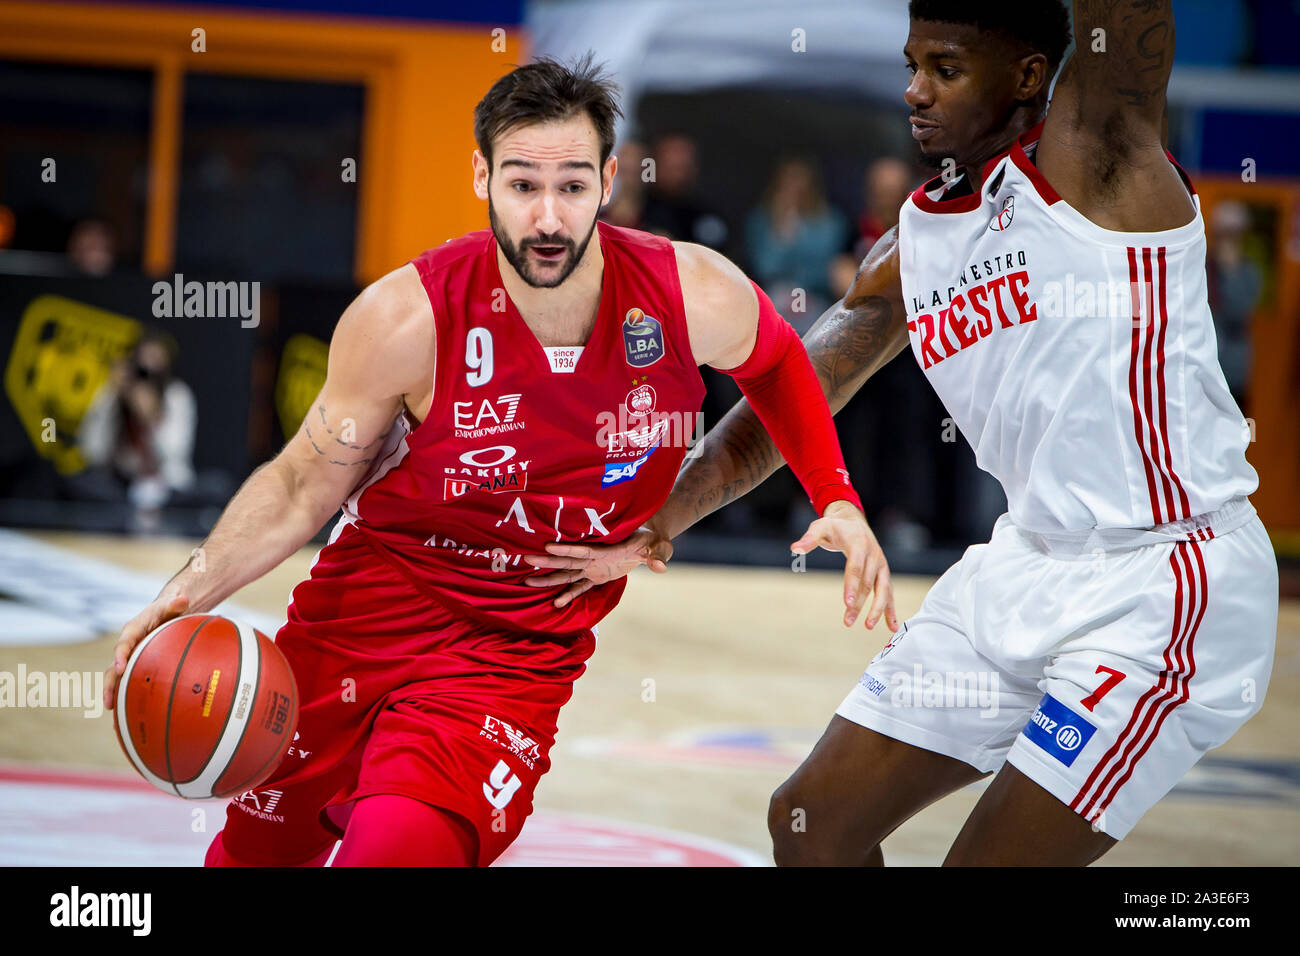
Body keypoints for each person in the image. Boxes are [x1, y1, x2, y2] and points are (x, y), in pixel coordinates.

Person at [531, 1, 1278, 866]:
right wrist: (658, 515)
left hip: (1165, 583)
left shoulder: (1100, 158)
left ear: (1030, 77)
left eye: (948, 70)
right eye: (913, 65)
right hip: (1023, 565)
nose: (917, 92)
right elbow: (787, 404)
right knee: (812, 824)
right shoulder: (912, 244)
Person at [102, 55, 884, 867]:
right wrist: (189, 587)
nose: (548, 217)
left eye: (574, 186)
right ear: (481, 175)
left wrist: (832, 494)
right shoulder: (406, 318)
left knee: (396, 852)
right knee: (254, 860)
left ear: (611, 178)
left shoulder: (688, 292)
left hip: (511, 656)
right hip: (360, 621)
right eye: (522, 185)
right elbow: (304, 482)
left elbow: (780, 363)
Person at [74, 330, 198, 528]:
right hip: (121, 488)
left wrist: (150, 418)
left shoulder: (177, 396)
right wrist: (111, 400)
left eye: (155, 367)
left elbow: (174, 454)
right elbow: (91, 452)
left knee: (213, 489)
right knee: (80, 484)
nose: (148, 373)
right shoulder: (114, 395)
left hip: (166, 488)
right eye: (142, 367)